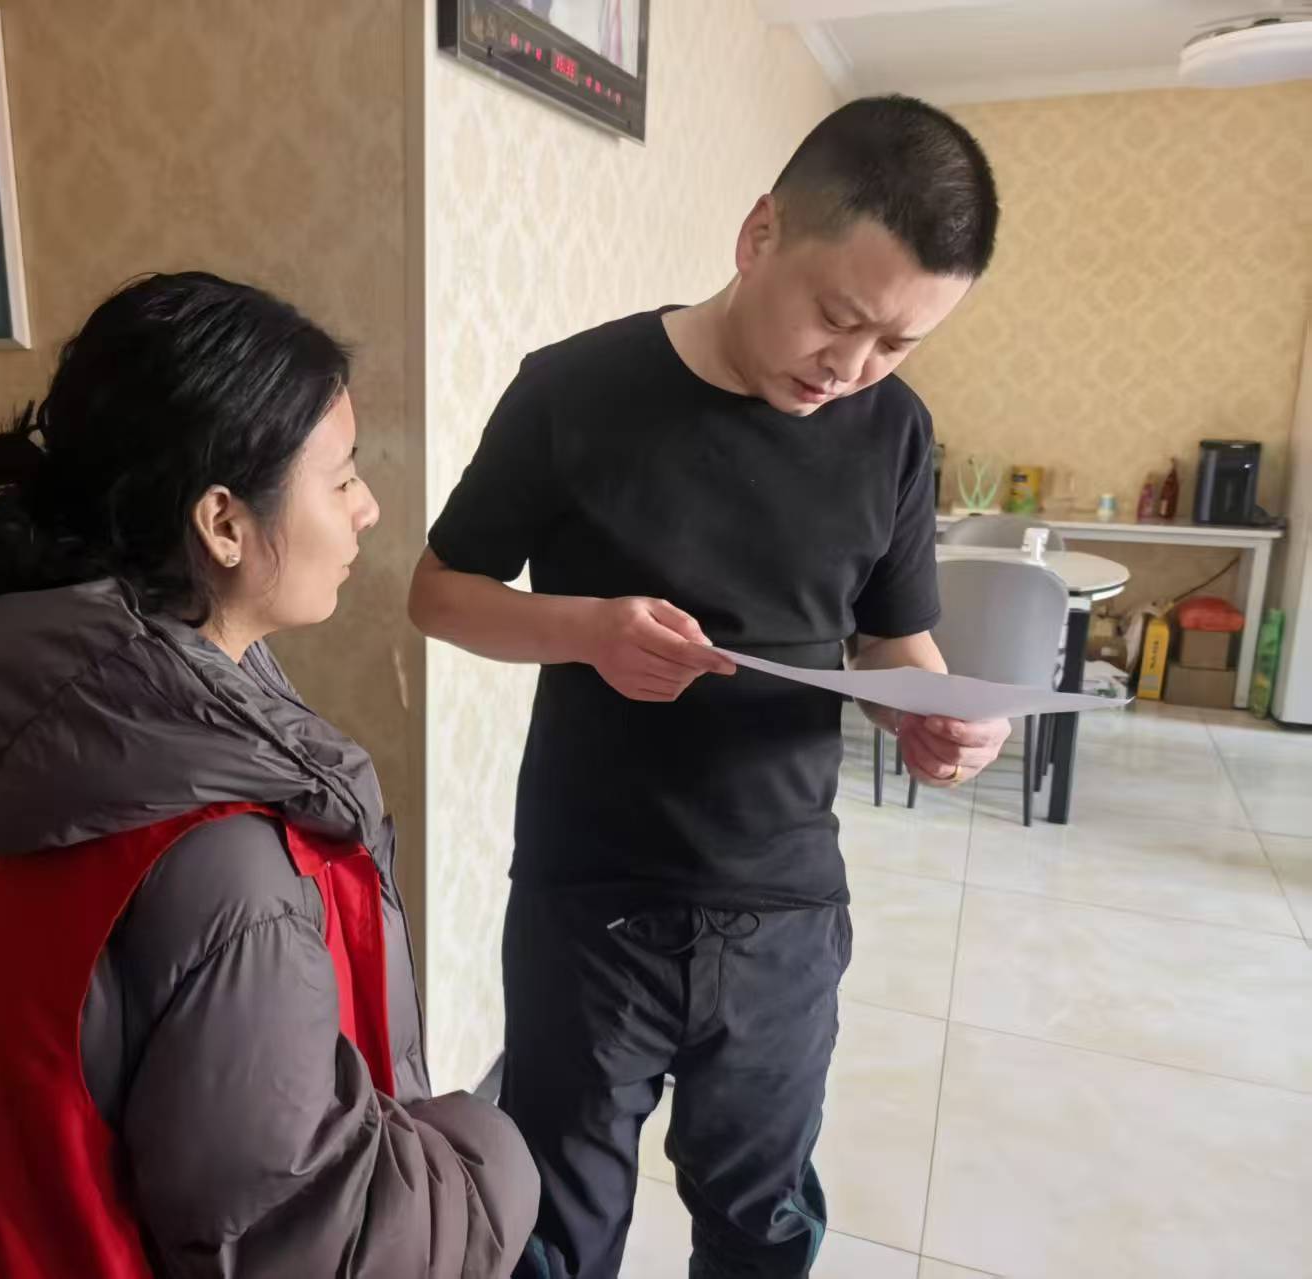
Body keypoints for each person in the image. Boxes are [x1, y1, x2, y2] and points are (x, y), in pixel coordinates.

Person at [408, 95, 1011, 1279]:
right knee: (558, 1215)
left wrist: (938, 715)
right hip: (589, 893)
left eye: (896, 345)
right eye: (836, 318)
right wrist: (586, 630)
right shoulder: (572, 390)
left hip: (782, 901)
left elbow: (896, 641)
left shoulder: (892, 432)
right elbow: (438, 592)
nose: (850, 369)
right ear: (758, 233)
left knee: (759, 1212)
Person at [0, 271, 538, 1278]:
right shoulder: (225, 860)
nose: (368, 507)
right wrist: (488, 1156)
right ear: (223, 523)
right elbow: (309, 1242)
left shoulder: (24, 703)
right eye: (340, 478)